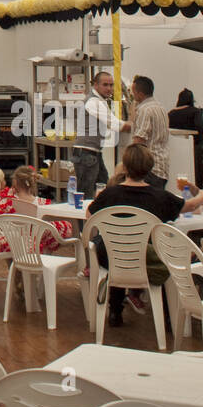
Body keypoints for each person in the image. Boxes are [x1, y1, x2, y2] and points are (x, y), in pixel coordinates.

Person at [87, 143, 184, 327]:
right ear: (149, 167)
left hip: (111, 257)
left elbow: (90, 217)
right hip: (146, 260)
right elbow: (184, 206)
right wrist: (202, 196)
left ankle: (115, 310)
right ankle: (167, 318)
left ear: (124, 166)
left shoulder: (110, 194)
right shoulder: (160, 197)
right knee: (154, 249)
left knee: (117, 245)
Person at [74, 70, 131, 199]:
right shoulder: (94, 102)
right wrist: (134, 124)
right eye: (105, 85)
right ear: (95, 85)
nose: (109, 88)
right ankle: (85, 218)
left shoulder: (100, 101)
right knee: (86, 192)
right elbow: (115, 124)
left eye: (111, 85)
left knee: (103, 185)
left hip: (93, 152)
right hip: (86, 152)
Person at [130, 75, 171, 183]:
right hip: (162, 164)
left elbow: (139, 140)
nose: (132, 95)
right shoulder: (161, 108)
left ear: (140, 94)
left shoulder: (145, 110)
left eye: (133, 92)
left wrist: (129, 163)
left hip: (148, 168)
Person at [168, 87, 203, 185]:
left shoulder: (171, 113)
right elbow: (200, 128)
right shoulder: (195, 111)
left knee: (180, 173)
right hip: (193, 148)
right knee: (194, 174)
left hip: (176, 150)